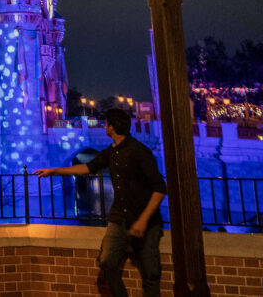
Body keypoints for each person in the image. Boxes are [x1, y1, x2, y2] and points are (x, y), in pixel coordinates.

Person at [35, 108, 166, 297]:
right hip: (119, 218)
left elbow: (159, 188)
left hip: (146, 222)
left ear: (111, 127)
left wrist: (143, 220)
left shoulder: (140, 152)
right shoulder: (111, 152)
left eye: (106, 123)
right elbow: (87, 167)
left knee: (151, 273)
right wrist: (54, 171)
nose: (105, 126)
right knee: (106, 262)